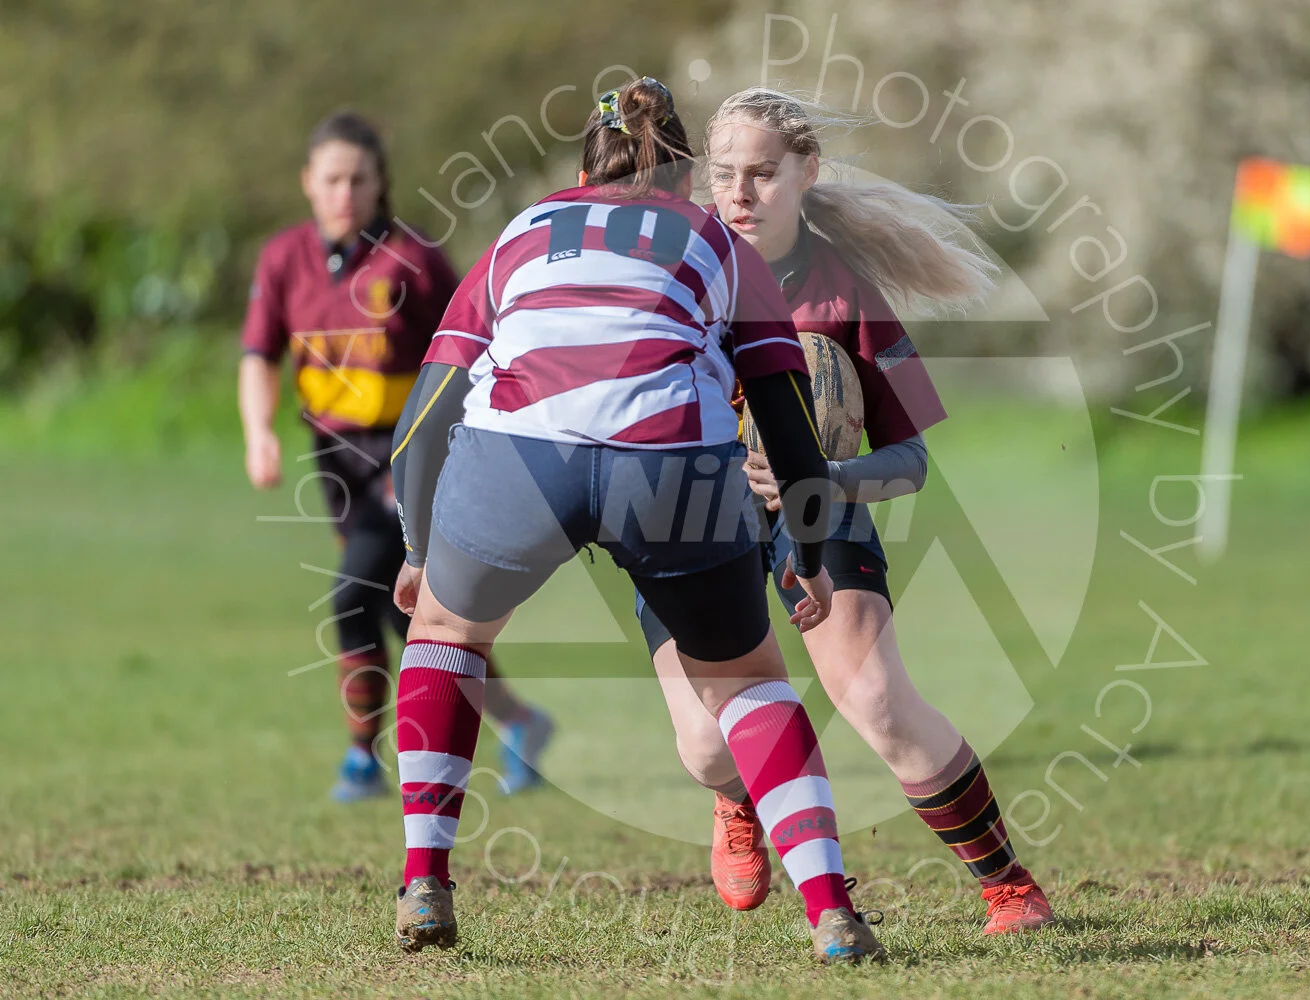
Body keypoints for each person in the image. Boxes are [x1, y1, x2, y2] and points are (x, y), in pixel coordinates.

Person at [386, 77, 884, 964]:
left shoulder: (521, 231)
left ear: (586, 165)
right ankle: (832, 912)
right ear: (686, 173)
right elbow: (785, 417)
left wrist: (423, 552)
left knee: (445, 633)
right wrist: (805, 546)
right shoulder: (717, 244)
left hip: (518, 457)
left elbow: (423, 421)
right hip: (669, 466)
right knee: (746, 682)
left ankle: (426, 878)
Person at [636, 88, 1056, 935]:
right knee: (710, 745)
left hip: (819, 513)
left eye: (762, 174)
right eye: (724, 175)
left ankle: (1007, 883)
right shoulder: (673, 276)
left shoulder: (845, 296)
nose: (740, 194)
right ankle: (736, 802)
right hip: (688, 519)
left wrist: (822, 474)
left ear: (807, 173)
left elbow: (910, 463)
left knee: (878, 700)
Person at [237, 110, 553, 802]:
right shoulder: (285, 259)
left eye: (359, 179)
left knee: (353, 596)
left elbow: (474, 347)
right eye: (332, 179)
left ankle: (361, 758)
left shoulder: (414, 262)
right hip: (336, 463)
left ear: (382, 185)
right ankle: (521, 723)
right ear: (308, 185)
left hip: (410, 459)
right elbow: (258, 354)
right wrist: (259, 431)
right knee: (406, 614)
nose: (345, 192)